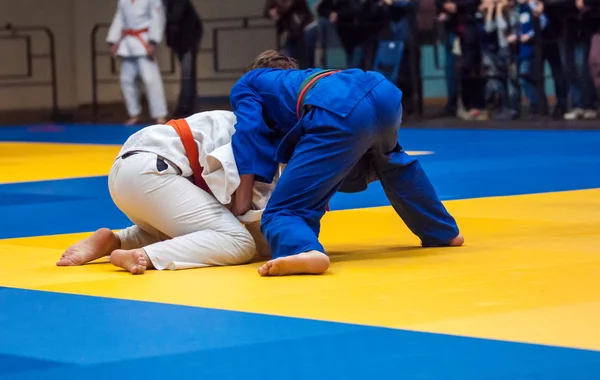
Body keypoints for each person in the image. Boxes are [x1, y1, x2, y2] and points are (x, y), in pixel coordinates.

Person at [228, 50, 464, 277]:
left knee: (282, 211)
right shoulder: (307, 79)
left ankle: (303, 250)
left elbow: (249, 134)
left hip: (339, 110)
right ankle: (443, 232)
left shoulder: (248, 83)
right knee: (392, 165)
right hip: (383, 92)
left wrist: (242, 204)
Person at [57, 111, 277, 274]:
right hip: (154, 173)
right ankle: (145, 255)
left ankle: (118, 241)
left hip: (124, 170)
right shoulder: (258, 138)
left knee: (199, 229)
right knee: (239, 242)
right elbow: (255, 222)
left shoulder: (232, 119)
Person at [107, 0, 169, 125]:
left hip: (144, 42)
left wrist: (153, 41)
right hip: (127, 43)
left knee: (151, 80)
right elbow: (119, 18)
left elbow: (157, 18)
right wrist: (113, 40)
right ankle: (134, 113)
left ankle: (160, 115)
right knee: (126, 81)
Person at [163, 0, 204, 118]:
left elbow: (174, 16)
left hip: (188, 38)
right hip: (182, 39)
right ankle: (188, 108)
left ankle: (185, 109)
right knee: (188, 75)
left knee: (188, 75)